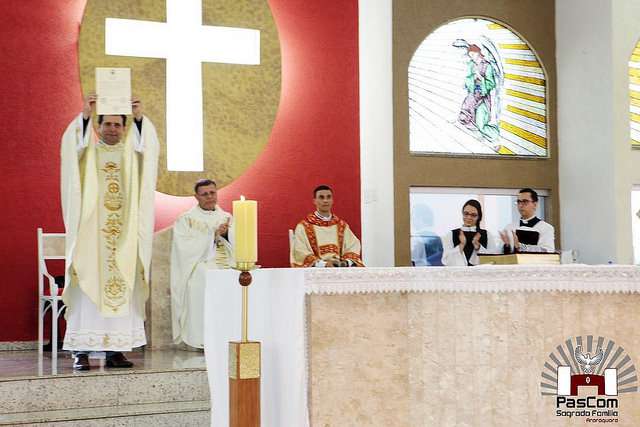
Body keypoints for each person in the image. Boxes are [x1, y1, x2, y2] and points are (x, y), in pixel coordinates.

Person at [60, 94, 159, 370]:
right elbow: (71, 149)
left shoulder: (132, 155)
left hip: (124, 237)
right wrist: (84, 115)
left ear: (124, 129)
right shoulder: (87, 152)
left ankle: (115, 350)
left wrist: (139, 119)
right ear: (98, 126)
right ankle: (81, 350)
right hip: (91, 236)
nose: (113, 129)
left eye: (118, 125)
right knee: (86, 289)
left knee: (123, 286)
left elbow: (148, 154)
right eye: (108, 124)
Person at [170, 179, 233, 349]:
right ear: (196, 196)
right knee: (202, 278)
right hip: (199, 262)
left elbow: (240, 245)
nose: (209, 197)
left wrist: (227, 235)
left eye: (212, 193)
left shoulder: (227, 217)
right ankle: (203, 338)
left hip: (227, 261)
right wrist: (212, 236)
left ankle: (229, 336)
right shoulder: (186, 219)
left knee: (237, 279)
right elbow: (183, 248)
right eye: (204, 194)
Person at [291, 185, 364, 267]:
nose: (325, 200)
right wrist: (323, 264)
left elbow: (353, 245)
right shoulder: (304, 227)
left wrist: (346, 262)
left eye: (328, 197)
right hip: (315, 271)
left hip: (340, 269)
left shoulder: (341, 226)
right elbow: (300, 251)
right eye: (321, 197)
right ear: (314, 201)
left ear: (332, 200)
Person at [458, 44, 500, 142]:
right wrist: (472, 78)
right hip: (472, 95)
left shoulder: (487, 65)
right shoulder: (471, 65)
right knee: (465, 116)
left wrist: (482, 80)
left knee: (481, 124)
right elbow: (467, 79)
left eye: (473, 54)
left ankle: (495, 136)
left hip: (483, 97)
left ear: (478, 53)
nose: (472, 56)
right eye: (470, 55)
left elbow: (491, 84)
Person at [441, 199, 497, 266]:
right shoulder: (450, 234)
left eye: (473, 215)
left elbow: (494, 259)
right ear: (462, 213)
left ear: (479, 217)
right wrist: (461, 245)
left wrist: (478, 247)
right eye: (466, 213)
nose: (469, 217)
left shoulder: (487, 235)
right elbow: (445, 260)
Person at [500, 188, 555, 253]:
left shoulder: (546, 228)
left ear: (535, 204)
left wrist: (521, 247)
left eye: (525, 202)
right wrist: (506, 246)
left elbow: (548, 251)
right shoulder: (509, 227)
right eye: (518, 202)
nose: (520, 205)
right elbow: (500, 251)